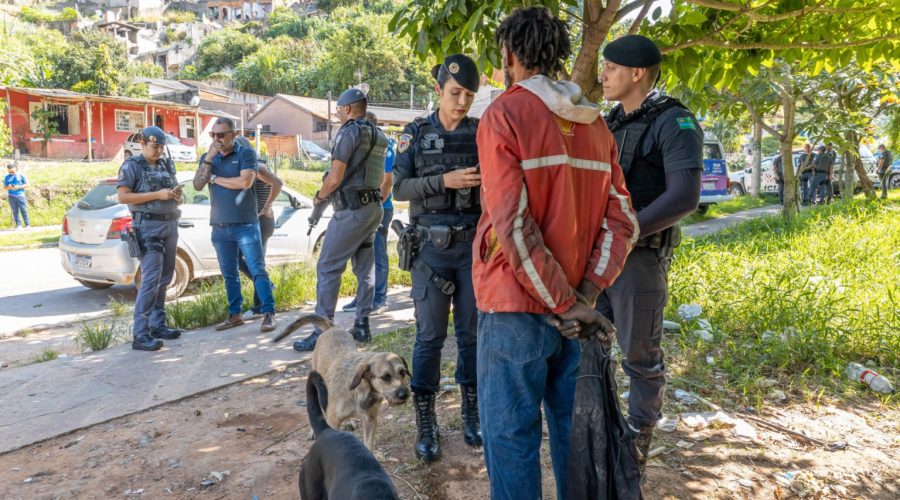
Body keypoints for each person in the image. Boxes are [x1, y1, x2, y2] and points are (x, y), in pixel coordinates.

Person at [476, 8, 638, 498]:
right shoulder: (597, 127)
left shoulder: (504, 114)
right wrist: (585, 295)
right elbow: (623, 221)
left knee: (510, 439)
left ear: (508, 55)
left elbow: (512, 227)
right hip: (577, 318)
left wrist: (566, 302)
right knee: (576, 440)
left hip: (515, 309)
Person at [599, 33, 703, 475]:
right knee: (591, 346)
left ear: (637, 73)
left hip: (638, 259)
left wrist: (628, 231)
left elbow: (685, 196)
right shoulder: (609, 122)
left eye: (612, 68)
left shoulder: (674, 121)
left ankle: (637, 443)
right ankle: (601, 429)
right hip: (599, 257)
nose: (602, 75)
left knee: (639, 356)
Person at [392, 54, 483, 462]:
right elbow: (400, 189)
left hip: (472, 249)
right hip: (430, 251)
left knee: (471, 335)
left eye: (468, 95)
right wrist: (443, 181)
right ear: (439, 91)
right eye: (455, 93)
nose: (462, 102)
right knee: (430, 337)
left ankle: (471, 411)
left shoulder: (482, 132)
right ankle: (425, 421)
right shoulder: (414, 133)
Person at [293, 88, 388, 352]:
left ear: (348, 109)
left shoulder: (349, 132)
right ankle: (362, 324)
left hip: (352, 212)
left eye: (338, 108)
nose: (336, 112)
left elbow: (334, 178)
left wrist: (319, 197)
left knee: (327, 267)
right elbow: (381, 178)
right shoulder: (378, 135)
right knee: (365, 268)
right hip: (373, 208)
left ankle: (322, 332)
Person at [193, 118, 277, 332]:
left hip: (245, 224)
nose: (217, 139)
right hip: (220, 226)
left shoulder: (245, 154)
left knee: (257, 269)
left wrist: (215, 179)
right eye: (213, 135)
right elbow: (197, 184)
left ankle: (268, 313)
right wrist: (209, 160)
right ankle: (235, 314)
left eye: (221, 135)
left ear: (234, 134)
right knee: (229, 273)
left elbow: (245, 182)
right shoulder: (208, 158)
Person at [116, 126, 184, 351]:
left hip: (170, 224)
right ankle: (140, 333)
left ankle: (158, 324)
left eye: (162, 147)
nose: (158, 151)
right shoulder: (131, 166)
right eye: (154, 146)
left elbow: (174, 195)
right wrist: (157, 194)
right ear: (142, 144)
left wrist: (176, 196)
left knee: (165, 278)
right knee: (151, 279)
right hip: (148, 227)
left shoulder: (166, 164)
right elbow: (123, 196)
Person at [343, 112, 394, 314]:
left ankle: (380, 298)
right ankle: (362, 297)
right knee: (363, 258)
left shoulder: (385, 147)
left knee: (377, 255)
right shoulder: (363, 147)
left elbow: (387, 182)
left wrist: (376, 204)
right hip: (363, 208)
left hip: (381, 208)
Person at [230, 136, 283, 322]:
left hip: (262, 221)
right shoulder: (245, 167)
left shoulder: (257, 166)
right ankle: (262, 296)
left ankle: (260, 305)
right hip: (254, 221)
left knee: (254, 263)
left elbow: (277, 183)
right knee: (246, 261)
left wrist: (267, 206)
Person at [4, 163, 30, 230]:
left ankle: (27, 225)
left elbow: (27, 184)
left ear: (15, 168)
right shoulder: (7, 177)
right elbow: (5, 187)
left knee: (23, 210)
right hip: (11, 196)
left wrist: (19, 187)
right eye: (9, 172)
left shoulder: (21, 175)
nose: (11, 173)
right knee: (15, 211)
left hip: (21, 195)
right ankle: (19, 225)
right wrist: (9, 187)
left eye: (12, 171)